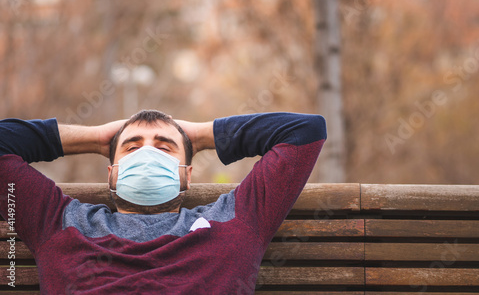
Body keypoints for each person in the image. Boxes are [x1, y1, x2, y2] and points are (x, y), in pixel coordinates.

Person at [0, 110, 326, 294]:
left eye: (165, 146)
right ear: (111, 175)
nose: (147, 153)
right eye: (131, 147)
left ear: (186, 175)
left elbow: (304, 130)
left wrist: (198, 135)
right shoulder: (60, 225)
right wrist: (97, 136)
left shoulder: (236, 220)